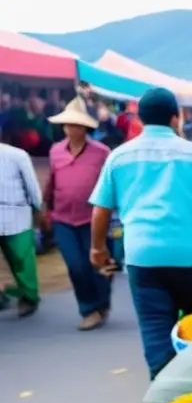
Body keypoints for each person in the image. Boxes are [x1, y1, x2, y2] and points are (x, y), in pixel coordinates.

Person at [89, 88, 192, 379]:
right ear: (175, 117)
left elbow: (101, 210)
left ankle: (165, 395)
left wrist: (97, 250)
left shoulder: (119, 157)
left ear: (141, 119)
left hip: (143, 259)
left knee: (155, 328)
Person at [44, 97, 112, 330]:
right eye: (67, 125)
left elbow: (111, 185)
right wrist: (45, 210)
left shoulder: (102, 152)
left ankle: (102, 301)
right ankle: (88, 308)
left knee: (100, 263)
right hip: (63, 218)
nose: (71, 129)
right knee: (75, 265)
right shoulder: (55, 152)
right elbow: (51, 183)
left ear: (84, 127)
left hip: (94, 218)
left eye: (75, 124)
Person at [0, 138, 43, 317]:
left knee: (22, 261)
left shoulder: (17, 155)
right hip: (15, 212)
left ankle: (29, 296)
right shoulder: (18, 155)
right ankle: (19, 296)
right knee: (22, 261)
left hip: (15, 212)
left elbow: (32, 186)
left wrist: (38, 207)